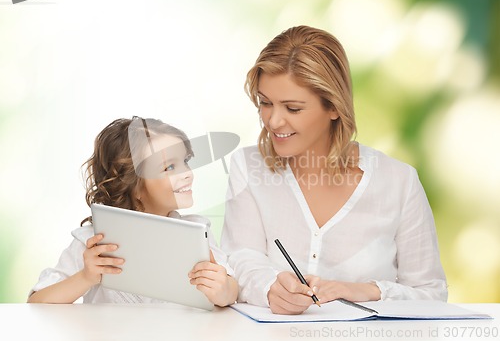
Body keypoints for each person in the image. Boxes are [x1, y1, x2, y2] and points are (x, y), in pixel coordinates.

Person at [220, 25, 448, 315]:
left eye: (293, 108)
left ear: (334, 107)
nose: (273, 121)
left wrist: (363, 291)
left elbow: (431, 295)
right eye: (266, 103)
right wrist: (269, 288)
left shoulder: (398, 182)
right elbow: (240, 257)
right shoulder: (248, 168)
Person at [28, 117, 238, 306]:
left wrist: (222, 289)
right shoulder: (94, 243)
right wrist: (86, 277)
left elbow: (231, 291)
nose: (187, 174)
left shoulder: (196, 232)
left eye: (185, 161)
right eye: (169, 167)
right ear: (134, 185)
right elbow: (37, 300)